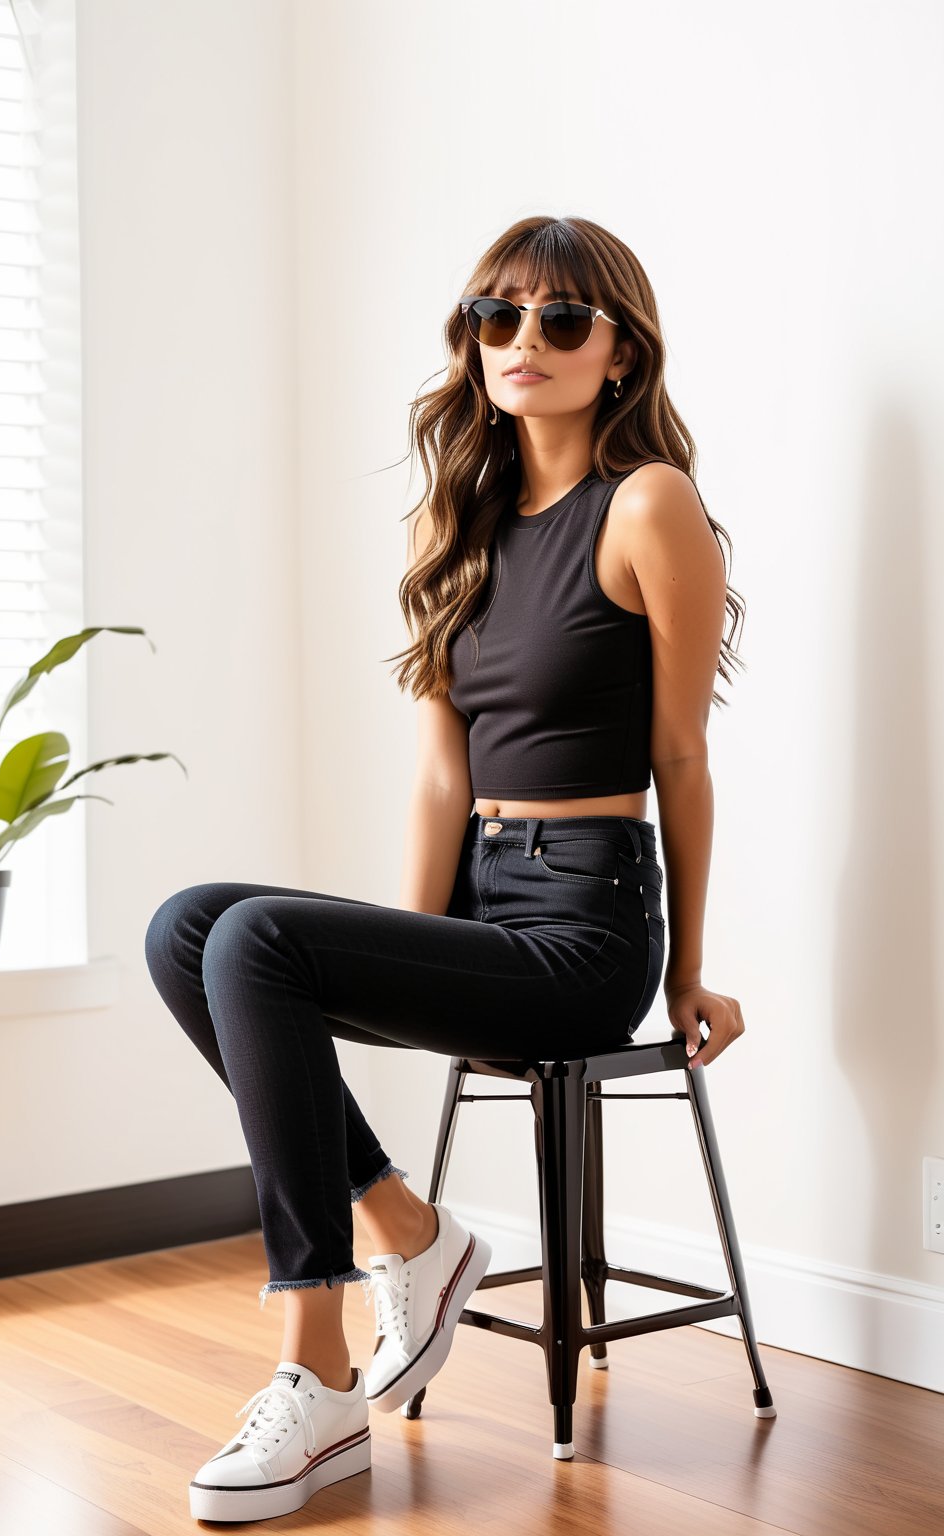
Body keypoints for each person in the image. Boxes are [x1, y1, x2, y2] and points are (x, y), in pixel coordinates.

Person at [144, 212, 746, 1524]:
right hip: (486, 907)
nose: (521, 340)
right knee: (192, 926)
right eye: (495, 315)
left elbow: (683, 761)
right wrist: (398, 959)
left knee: (253, 940)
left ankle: (315, 1376)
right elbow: (441, 774)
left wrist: (691, 972)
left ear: (621, 356)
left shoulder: (646, 505)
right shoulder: (456, 514)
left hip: (590, 931)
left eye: (559, 319)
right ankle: (409, 1232)